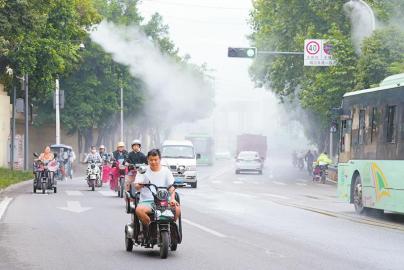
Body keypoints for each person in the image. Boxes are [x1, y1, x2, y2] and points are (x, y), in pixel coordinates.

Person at [134, 149, 180, 238]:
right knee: (139, 210)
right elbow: (136, 186)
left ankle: (171, 229)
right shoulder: (142, 170)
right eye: (151, 160)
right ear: (147, 160)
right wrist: (142, 183)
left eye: (156, 160)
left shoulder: (166, 171)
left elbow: (171, 187)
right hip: (147, 201)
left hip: (163, 201)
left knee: (177, 209)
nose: (153, 162)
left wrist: (173, 199)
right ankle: (150, 228)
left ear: (160, 159)